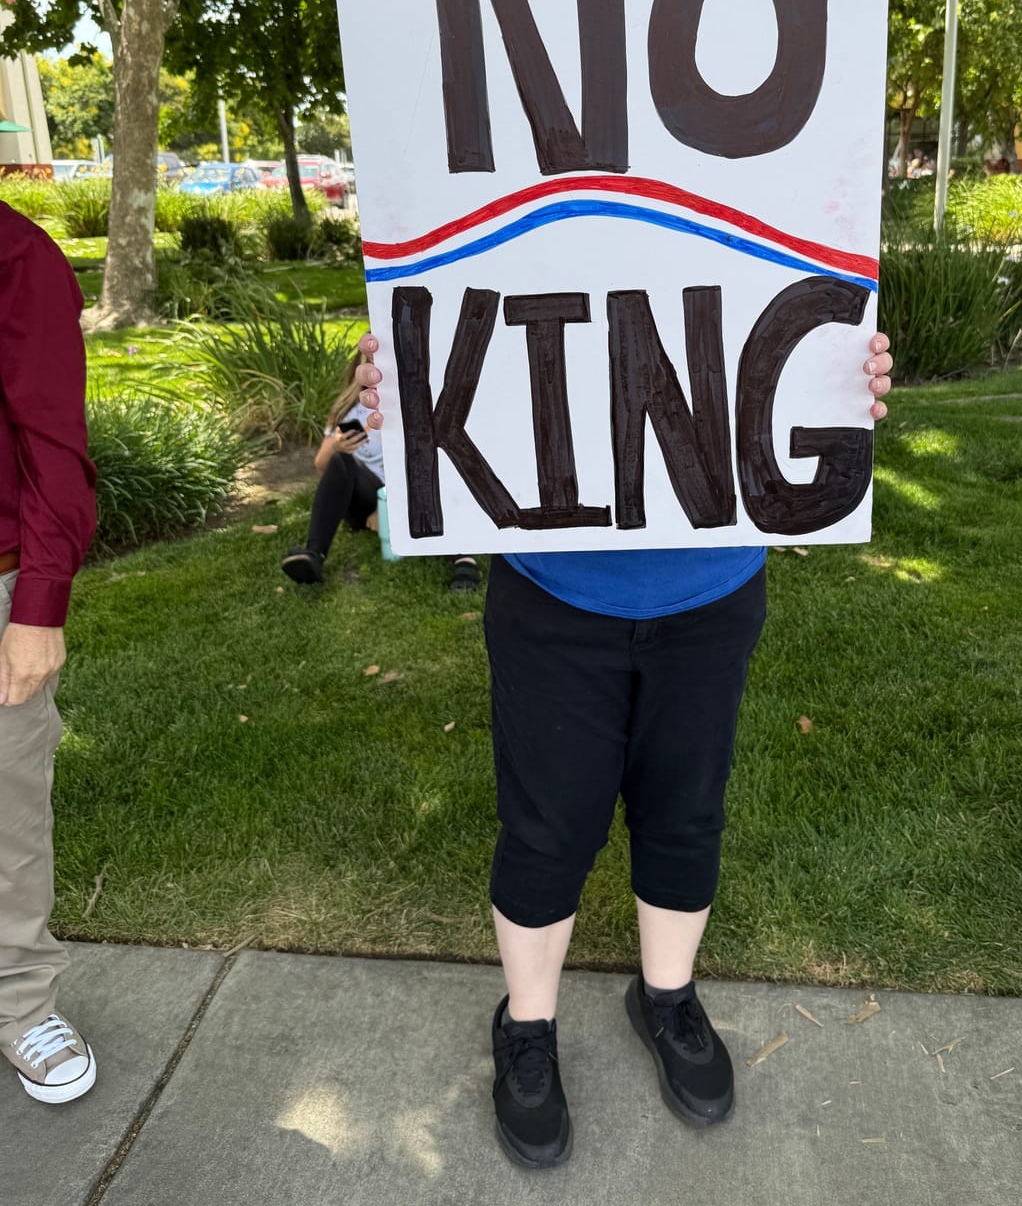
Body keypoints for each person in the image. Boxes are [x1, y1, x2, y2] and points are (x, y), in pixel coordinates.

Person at [354, 325, 892, 1168]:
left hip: (711, 585)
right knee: (547, 826)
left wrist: (835, 378)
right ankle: (527, 1024)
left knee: (685, 809)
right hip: (551, 591)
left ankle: (666, 996)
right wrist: (402, 392)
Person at [0, 201, 98, 1104]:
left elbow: (53, 445)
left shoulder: (16, 253)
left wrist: (38, 605)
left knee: (7, 819)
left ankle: (21, 1003)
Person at [281, 356, 480, 591]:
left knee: (440, 470)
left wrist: (385, 504)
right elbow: (321, 464)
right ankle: (314, 554)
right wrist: (336, 446)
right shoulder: (347, 407)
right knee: (340, 459)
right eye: (370, 361)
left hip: (409, 491)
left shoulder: (417, 397)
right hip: (363, 493)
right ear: (360, 365)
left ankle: (464, 559)